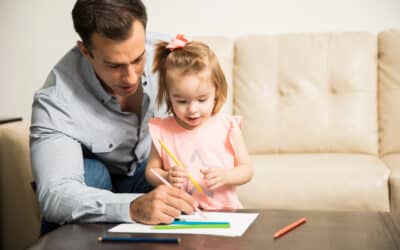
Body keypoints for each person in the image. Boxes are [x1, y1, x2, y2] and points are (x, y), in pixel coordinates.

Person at [30, 0, 197, 235]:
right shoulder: (56, 100)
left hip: (146, 171)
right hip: (94, 185)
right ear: (86, 51)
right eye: (114, 65)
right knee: (93, 173)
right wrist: (130, 207)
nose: (130, 77)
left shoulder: (170, 54)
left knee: (180, 183)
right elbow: (54, 195)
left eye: (138, 59)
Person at [145, 35, 253, 210]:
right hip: (181, 214)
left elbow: (246, 170)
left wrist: (226, 176)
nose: (192, 109)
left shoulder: (228, 127)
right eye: (182, 101)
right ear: (169, 96)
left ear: (216, 91)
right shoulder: (162, 130)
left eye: (202, 99)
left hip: (224, 214)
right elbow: (151, 172)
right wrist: (166, 175)